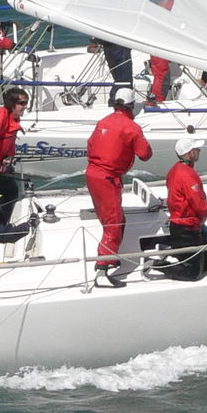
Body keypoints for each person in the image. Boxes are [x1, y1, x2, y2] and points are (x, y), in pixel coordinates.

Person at [85, 85, 153, 287]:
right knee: (113, 223)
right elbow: (145, 154)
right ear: (131, 106)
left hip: (92, 174)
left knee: (113, 219)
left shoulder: (103, 122)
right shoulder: (131, 127)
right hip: (108, 178)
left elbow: (90, 144)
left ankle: (111, 256)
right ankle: (102, 269)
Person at [163, 138, 207, 282]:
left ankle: (180, 256)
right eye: (196, 149)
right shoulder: (188, 175)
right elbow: (200, 206)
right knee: (192, 274)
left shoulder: (175, 170)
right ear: (190, 153)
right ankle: (159, 265)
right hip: (185, 230)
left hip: (189, 225)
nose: (199, 151)